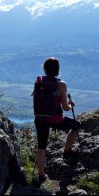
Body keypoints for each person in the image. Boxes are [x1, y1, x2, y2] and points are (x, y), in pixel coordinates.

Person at [32, 57, 81, 186]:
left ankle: (41, 175)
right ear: (58, 69)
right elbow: (65, 107)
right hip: (55, 119)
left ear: (44, 68)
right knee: (76, 126)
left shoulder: (38, 81)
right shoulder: (61, 84)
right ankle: (67, 151)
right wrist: (71, 104)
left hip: (40, 118)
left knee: (41, 146)